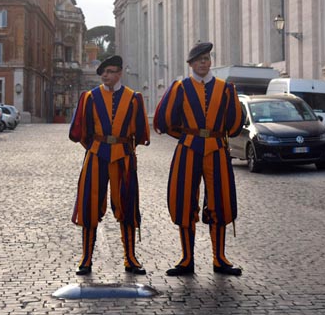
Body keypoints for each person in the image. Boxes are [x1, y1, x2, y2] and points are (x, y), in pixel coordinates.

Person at [153, 42, 245, 276]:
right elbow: (165, 120)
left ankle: (220, 258)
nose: (204, 62)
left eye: (207, 58)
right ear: (191, 64)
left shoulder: (226, 89)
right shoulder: (180, 88)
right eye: (199, 59)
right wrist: (187, 136)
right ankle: (187, 259)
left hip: (216, 149)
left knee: (221, 201)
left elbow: (234, 123)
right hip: (188, 150)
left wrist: (216, 136)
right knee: (184, 201)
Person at [69, 55, 150, 276]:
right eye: (103, 72)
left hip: (123, 156)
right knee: (89, 205)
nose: (105, 75)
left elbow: (140, 133)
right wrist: (96, 147)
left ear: (120, 73)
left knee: (127, 205)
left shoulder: (134, 99)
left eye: (110, 71)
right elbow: (81, 132)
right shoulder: (90, 98)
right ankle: (86, 259)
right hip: (96, 155)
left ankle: (130, 258)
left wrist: (124, 149)